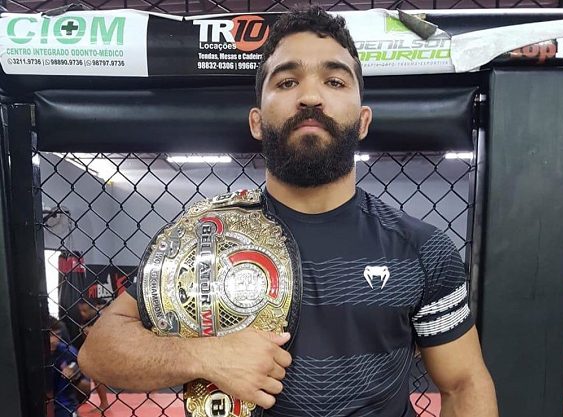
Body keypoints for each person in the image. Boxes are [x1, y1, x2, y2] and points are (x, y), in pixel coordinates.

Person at [79, 6, 498, 416]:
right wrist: (205, 356)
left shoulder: (422, 249)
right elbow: (98, 352)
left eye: (334, 81)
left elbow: (464, 384)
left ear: (363, 121)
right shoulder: (203, 240)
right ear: (256, 122)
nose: (310, 97)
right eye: (287, 82)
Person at [49, 316, 91, 417]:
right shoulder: (32, 354)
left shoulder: (67, 352)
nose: (54, 340)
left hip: (63, 405)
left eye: (57, 335)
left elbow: (87, 389)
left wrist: (76, 375)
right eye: (49, 335)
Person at [78, 298, 111, 412]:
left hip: (106, 351)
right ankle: (103, 403)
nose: (82, 314)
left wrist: (91, 332)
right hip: (94, 352)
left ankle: (104, 403)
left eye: (85, 311)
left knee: (98, 377)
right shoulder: (85, 320)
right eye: (81, 311)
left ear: (94, 309)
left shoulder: (103, 319)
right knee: (95, 377)